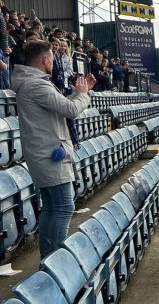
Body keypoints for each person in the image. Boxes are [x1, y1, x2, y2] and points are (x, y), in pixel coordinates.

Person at [11, 41, 96, 260]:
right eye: (52, 59)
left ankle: (49, 261)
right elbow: (70, 110)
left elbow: (59, 107)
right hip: (49, 155)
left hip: (45, 153)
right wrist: (83, 95)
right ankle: (54, 261)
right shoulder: (36, 84)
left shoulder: (33, 83)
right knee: (63, 206)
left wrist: (81, 92)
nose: (54, 63)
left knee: (52, 208)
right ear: (46, 60)